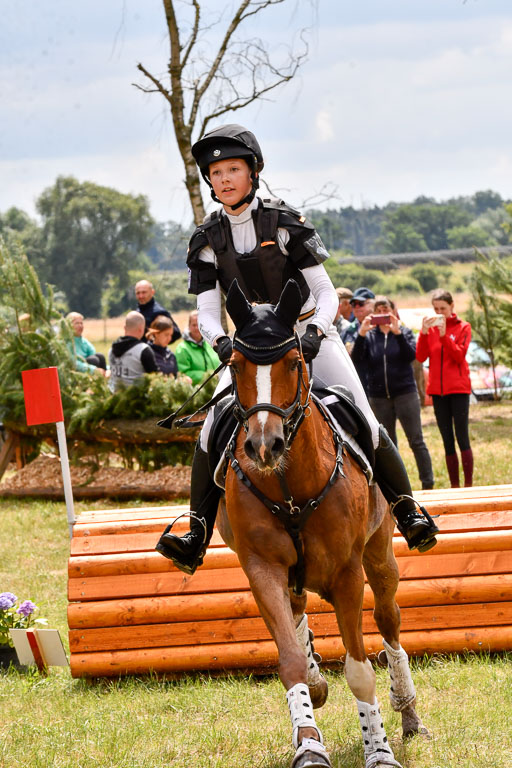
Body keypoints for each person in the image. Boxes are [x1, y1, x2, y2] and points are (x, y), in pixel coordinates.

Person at [155, 123, 438, 574]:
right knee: (212, 429)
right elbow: (207, 311)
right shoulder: (207, 239)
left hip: (307, 336)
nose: (224, 179)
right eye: (215, 172)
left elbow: (325, 292)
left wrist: (316, 332)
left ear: (253, 172)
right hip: (249, 351)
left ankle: (407, 510)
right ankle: (195, 532)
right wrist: (221, 341)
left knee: (363, 415)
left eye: (233, 169)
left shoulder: (284, 222)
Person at [351, 295, 434, 490]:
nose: (382, 314)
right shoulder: (369, 336)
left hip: (405, 394)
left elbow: (411, 356)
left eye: (385, 310)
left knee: (416, 440)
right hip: (379, 398)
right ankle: (395, 488)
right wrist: (361, 335)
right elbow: (357, 359)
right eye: (378, 311)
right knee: (388, 446)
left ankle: (428, 483)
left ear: (393, 312)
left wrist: (397, 333)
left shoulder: (404, 332)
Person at [416, 289, 473, 487]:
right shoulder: (429, 331)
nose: (439, 312)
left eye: (443, 308)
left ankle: (468, 485)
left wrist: (444, 336)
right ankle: (454, 486)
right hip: (437, 391)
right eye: (435, 309)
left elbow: (459, 356)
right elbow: (421, 357)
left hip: (458, 389)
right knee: (447, 439)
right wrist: (423, 333)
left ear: (452, 307)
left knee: (462, 437)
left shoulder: (464, 327)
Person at [108, 311, 158, 392]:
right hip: (136, 400)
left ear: (124, 328)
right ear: (141, 330)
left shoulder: (112, 349)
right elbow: (155, 378)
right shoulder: (143, 350)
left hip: (114, 399)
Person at [341, 287, 375, 393]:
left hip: (378, 387)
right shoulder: (347, 331)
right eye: (353, 304)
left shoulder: (382, 327)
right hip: (357, 385)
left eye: (361, 304)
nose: (357, 307)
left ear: (372, 305)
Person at [175, 310, 220, 385]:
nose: (197, 328)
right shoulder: (182, 349)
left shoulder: (211, 344)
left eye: (199, 325)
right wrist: (208, 377)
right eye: (193, 325)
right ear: (189, 326)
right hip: (196, 392)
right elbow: (183, 374)